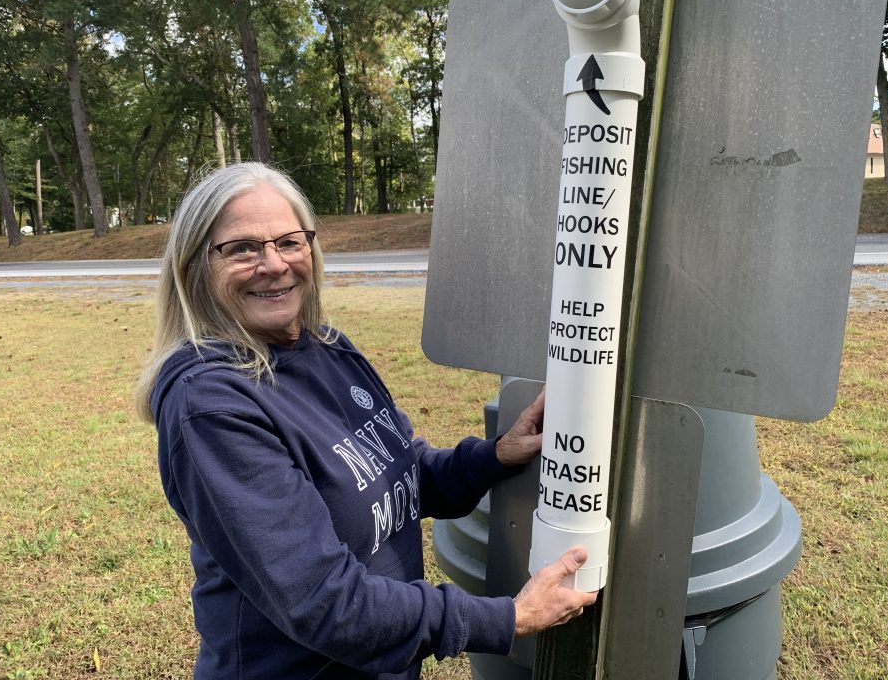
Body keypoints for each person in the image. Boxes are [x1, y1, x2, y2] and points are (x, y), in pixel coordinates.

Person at [136, 162, 597, 680]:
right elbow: (324, 602)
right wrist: (507, 618)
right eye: (241, 248)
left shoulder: (328, 349)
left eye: (289, 241)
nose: (273, 263)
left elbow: (404, 470)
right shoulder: (213, 406)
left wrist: (496, 455)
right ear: (195, 266)